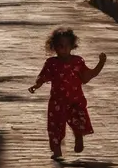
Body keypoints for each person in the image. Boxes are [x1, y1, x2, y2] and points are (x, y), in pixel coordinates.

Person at [28, 27, 107, 160]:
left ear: (72, 46)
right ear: (54, 47)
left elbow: (88, 75)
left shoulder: (78, 61)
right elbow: (43, 76)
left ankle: (78, 135)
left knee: (78, 120)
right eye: (60, 46)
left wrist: (101, 63)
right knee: (55, 126)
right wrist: (37, 85)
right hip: (57, 102)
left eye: (66, 46)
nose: (63, 49)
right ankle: (57, 149)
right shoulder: (51, 63)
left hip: (75, 100)